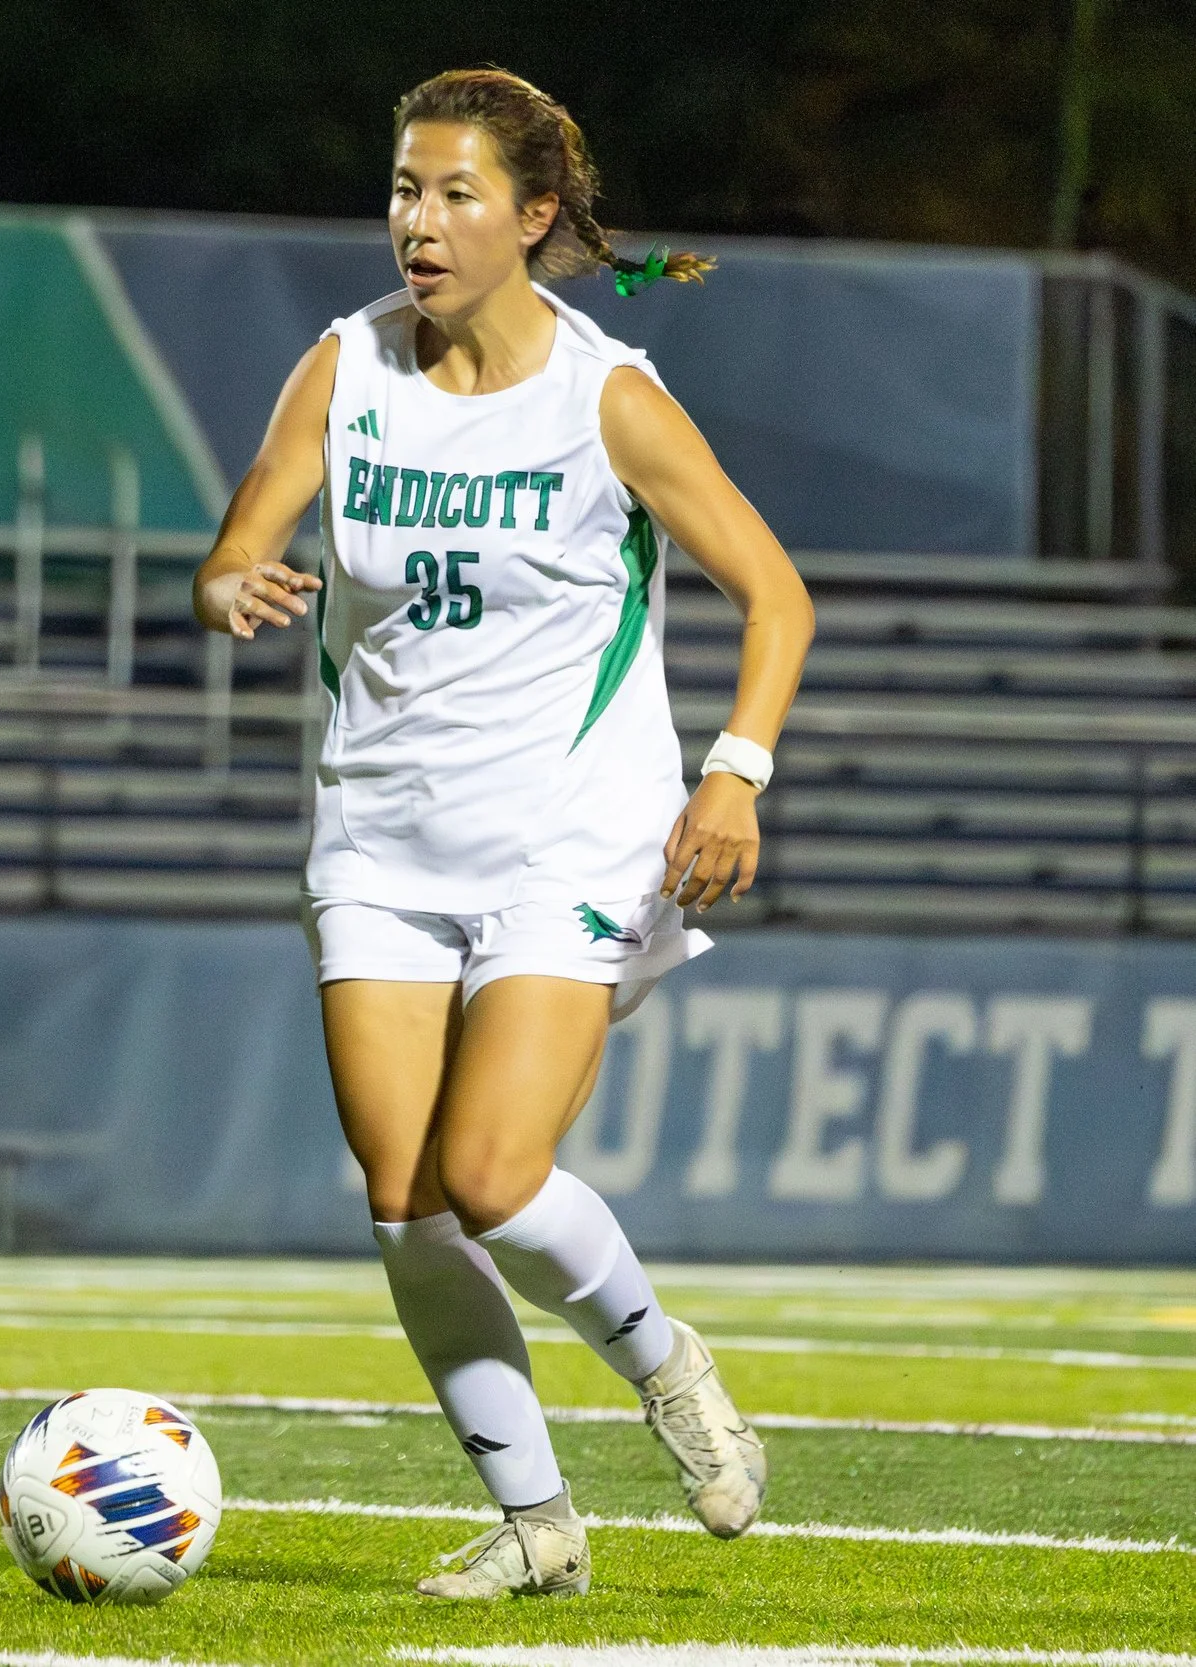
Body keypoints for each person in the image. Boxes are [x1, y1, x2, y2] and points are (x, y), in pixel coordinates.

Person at [192, 67, 815, 1599]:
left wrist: (733, 772)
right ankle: (539, 1523)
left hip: (571, 835)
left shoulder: (605, 394)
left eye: (457, 193)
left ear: (534, 218)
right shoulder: (344, 366)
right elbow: (242, 537)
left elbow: (778, 594)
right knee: (404, 1199)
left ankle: (666, 1366)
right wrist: (227, 583)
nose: (419, 220)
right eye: (406, 188)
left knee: (488, 1167)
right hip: (379, 836)